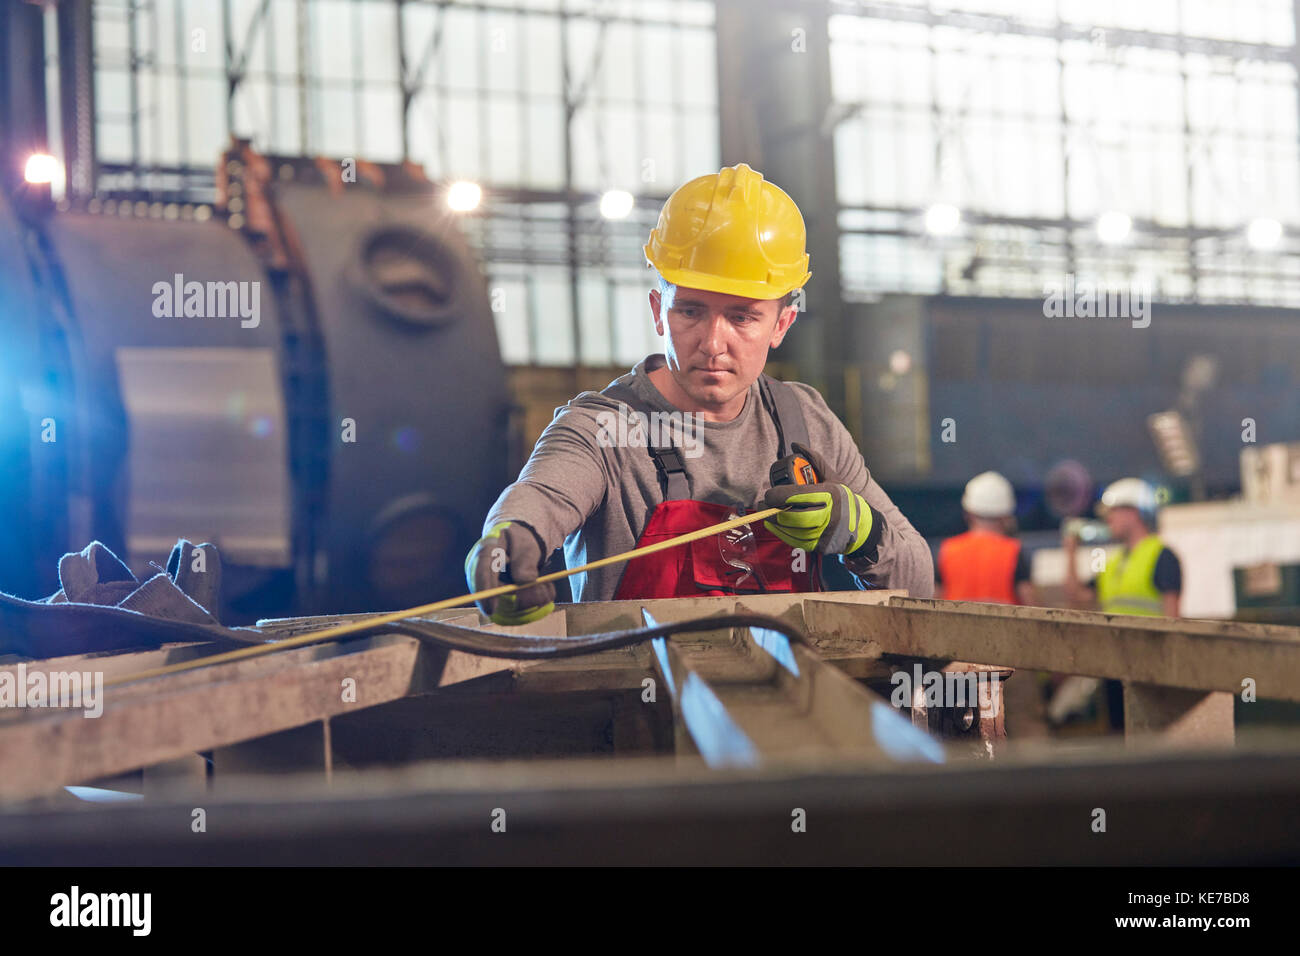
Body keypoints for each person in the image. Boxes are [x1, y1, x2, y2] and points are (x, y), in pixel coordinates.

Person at [465, 162, 933, 624]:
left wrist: (863, 532)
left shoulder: (806, 420)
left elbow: (919, 585)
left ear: (781, 324)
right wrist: (508, 542)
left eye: (743, 317)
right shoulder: (603, 429)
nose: (712, 343)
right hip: (639, 696)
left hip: (793, 696)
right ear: (658, 311)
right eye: (689, 311)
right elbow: (540, 497)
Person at [1054, 477, 1183, 729]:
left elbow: (1173, 620)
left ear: (1133, 513)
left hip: (1149, 670)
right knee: (1120, 737)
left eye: (1113, 511)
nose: (1107, 518)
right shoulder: (1111, 563)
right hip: (1114, 668)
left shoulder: (1162, 556)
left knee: (1151, 736)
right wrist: (1070, 551)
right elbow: (1077, 595)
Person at [936, 471, 1038, 605]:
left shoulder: (947, 550)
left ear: (968, 514)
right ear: (1006, 517)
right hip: (1004, 626)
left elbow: (934, 600)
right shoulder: (1013, 551)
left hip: (952, 625)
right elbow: (1030, 606)